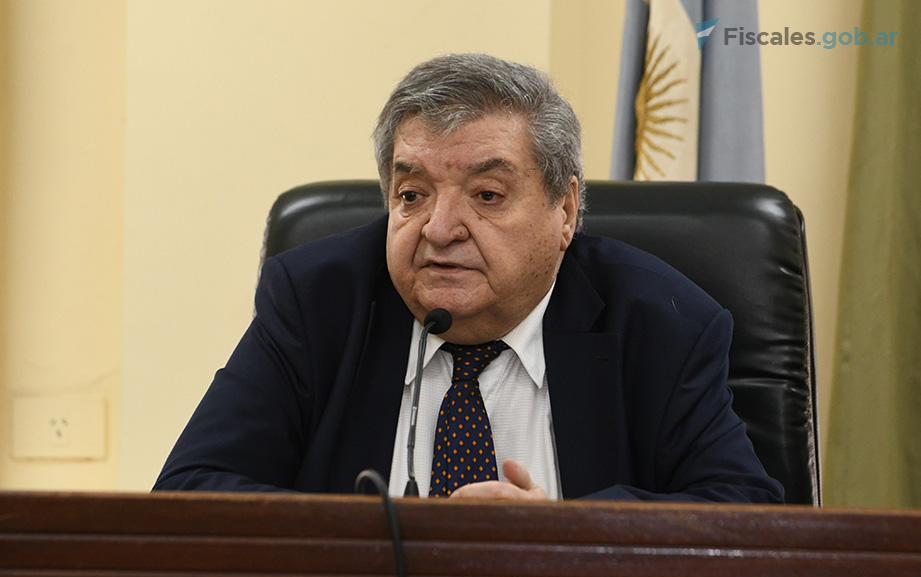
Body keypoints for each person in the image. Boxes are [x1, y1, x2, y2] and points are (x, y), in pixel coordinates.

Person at [154, 53, 784, 503]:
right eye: (411, 195)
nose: (438, 229)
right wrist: (383, 543)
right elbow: (190, 493)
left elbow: (742, 515)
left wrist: (565, 540)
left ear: (565, 211)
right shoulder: (318, 301)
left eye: (486, 195)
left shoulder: (661, 320)